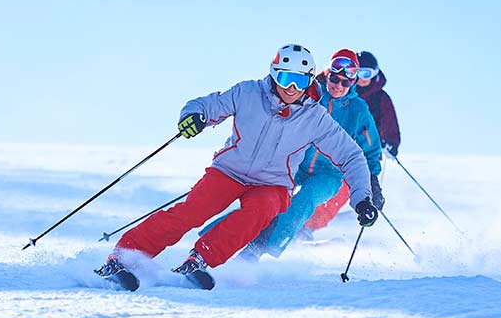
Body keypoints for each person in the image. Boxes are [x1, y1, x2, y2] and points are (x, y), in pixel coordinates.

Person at [95, 44, 381, 289]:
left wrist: (362, 198)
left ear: (309, 81)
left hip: (272, 182)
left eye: (298, 81)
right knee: (192, 212)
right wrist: (194, 116)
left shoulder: (314, 117)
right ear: (273, 74)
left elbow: (353, 156)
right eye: (284, 78)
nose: (290, 89)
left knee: (262, 211)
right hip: (230, 171)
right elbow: (207, 105)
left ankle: (200, 259)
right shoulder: (248, 93)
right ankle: (122, 258)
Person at [210, 49, 385, 260]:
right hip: (296, 161)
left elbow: (370, 149)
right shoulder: (311, 94)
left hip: (329, 174)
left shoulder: (358, 110)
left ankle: (261, 254)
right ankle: (211, 241)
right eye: (334, 79)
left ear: (353, 82)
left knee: (303, 203)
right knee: (266, 200)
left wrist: (372, 181)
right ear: (327, 73)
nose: (338, 86)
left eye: (345, 83)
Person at [303, 50, 401, 232]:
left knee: (340, 192)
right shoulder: (336, 89)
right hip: (326, 153)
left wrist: (390, 143)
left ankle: (307, 228)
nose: (363, 79)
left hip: (358, 158)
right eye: (360, 72)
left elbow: (388, 124)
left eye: (367, 74)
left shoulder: (378, 98)